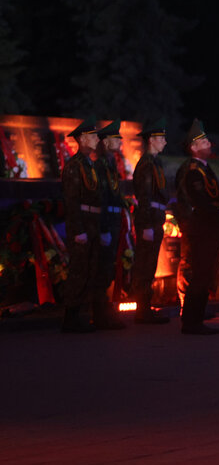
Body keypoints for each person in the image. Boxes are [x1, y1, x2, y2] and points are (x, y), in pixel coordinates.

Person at [175, 120, 219, 335]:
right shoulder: (192, 170)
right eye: (203, 141)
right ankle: (191, 321)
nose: (208, 143)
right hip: (201, 228)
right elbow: (201, 202)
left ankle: (197, 318)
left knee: (207, 274)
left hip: (209, 228)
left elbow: (214, 196)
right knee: (200, 275)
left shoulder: (204, 168)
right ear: (193, 147)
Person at [61, 117, 115, 333]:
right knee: (79, 271)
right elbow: (72, 201)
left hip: (93, 222)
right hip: (83, 223)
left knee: (92, 269)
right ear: (82, 139)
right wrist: (78, 230)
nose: (96, 139)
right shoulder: (75, 166)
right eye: (92, 136)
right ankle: (70, 317)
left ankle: (85, 315)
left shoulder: (89, 164)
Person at [131, 118, 171, 324]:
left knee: (150, 264)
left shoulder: (155, 162)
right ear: (152, 140)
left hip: (155, 219)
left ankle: (145, 308)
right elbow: (145, 196)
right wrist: (146, 225)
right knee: (145, 265)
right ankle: (142, 310)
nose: (165, 142)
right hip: (149, 220)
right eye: (161, 138)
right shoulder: (147, 164)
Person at [94, 120, 129, 329]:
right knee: (103, 268)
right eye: (116, 138)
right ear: (106, 142)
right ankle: (100, 315)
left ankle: (105, 312)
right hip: (107, 220)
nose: (120, 141)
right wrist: (104, 228)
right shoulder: (100, 166)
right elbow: (101, 198)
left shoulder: (110, 164)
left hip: (114, 219)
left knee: (109, 268)